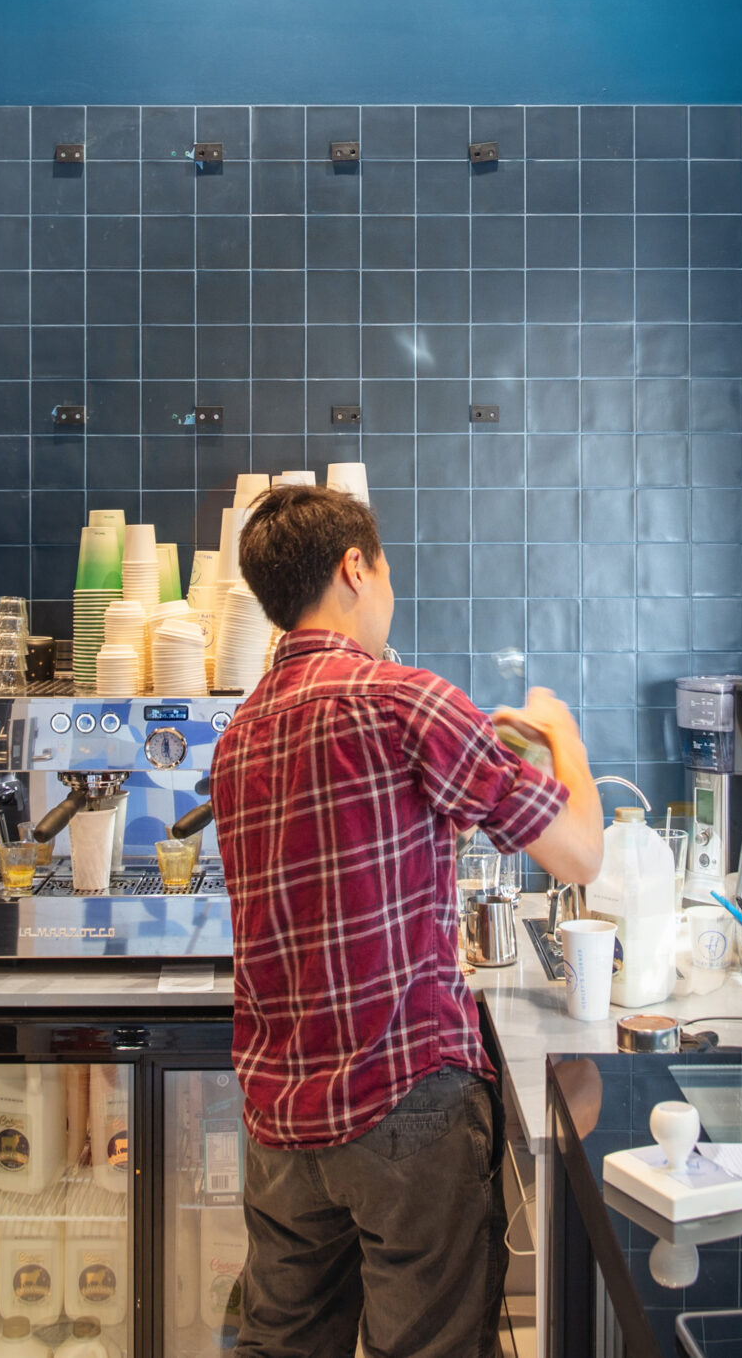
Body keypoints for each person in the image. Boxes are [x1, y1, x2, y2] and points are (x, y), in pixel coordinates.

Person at [207, 484, 605, 1358]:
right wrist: (560, 733)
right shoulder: (404, 701)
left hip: (280, 1119)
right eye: (384, 571)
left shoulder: (239, 733)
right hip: (404, 1101)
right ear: (356, 567)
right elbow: (579, 853)